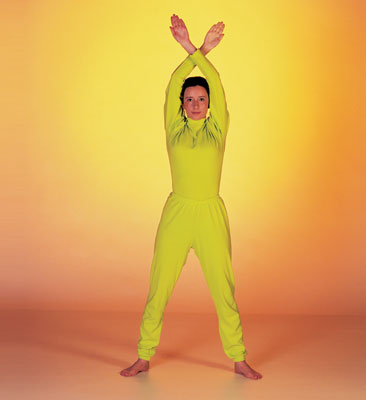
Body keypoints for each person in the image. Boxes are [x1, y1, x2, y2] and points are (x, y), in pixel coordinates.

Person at [120, 14, 262, 380]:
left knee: (224, 289)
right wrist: (189, 49)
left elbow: (217, 82)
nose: (196, 103)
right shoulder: (173, 128)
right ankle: (143, 355)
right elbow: (171, 86)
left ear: (209, 103)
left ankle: (239, 358)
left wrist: (201, 51)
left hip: (211, 213)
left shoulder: (217, 129)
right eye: (190, 99)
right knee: (159, 286)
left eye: (201, 98)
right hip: (178, 212)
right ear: (182, 104)